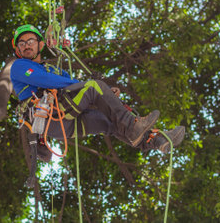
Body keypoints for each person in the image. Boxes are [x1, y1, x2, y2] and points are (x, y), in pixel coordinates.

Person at [10, 24, 185, 163]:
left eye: (30, 41)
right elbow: (46, 81)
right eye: (22, 43)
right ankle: (134, 127)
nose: (26, 46)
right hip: (50, 118)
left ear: (40, 44)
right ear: (18, 49)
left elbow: (73, 89)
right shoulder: (19, 66)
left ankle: (156, 141)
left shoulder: (54, 70)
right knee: (94, 87)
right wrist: (88, 86)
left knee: (109, 120)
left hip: (64, 120)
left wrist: (106, 95)